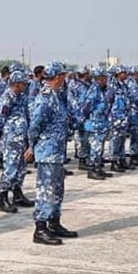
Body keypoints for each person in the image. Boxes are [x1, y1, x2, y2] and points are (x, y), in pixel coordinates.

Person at [27, 62, 77, 245]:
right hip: (47, 151)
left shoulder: (56, 96)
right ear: (57, 77)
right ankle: (40, 229)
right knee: (46, 190)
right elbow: (35, 126)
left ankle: (54, 223)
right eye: (63, 76)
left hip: (56, 151)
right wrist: (31, 146)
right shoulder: (45, 98)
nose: (65, 79)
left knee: (57, 189)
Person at [0, 70, 33, 213]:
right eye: (23, 84)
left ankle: (17, 193)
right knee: (10, 167)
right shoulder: (7, 97)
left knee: (21, 167)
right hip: (11, 138)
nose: (25, 86)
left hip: (21, 137)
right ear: (16, 84)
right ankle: (3, 197)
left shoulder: (21, 97)